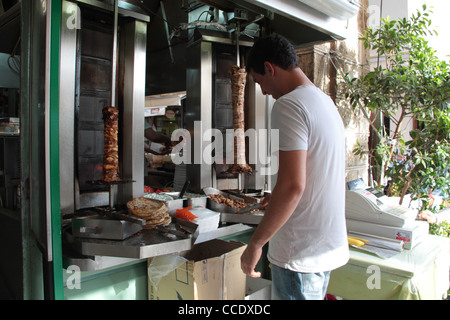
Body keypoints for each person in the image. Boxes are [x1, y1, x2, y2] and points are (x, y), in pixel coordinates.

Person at [240, 34, 349, 300]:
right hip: (323, 249)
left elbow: (293, 186)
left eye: (259, 82)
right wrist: (276, 197)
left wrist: (256, 244)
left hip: (297, 253)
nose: (263, 91)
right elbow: (315, 176)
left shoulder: (288, 105)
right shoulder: (325, 102)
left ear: (269, 68)